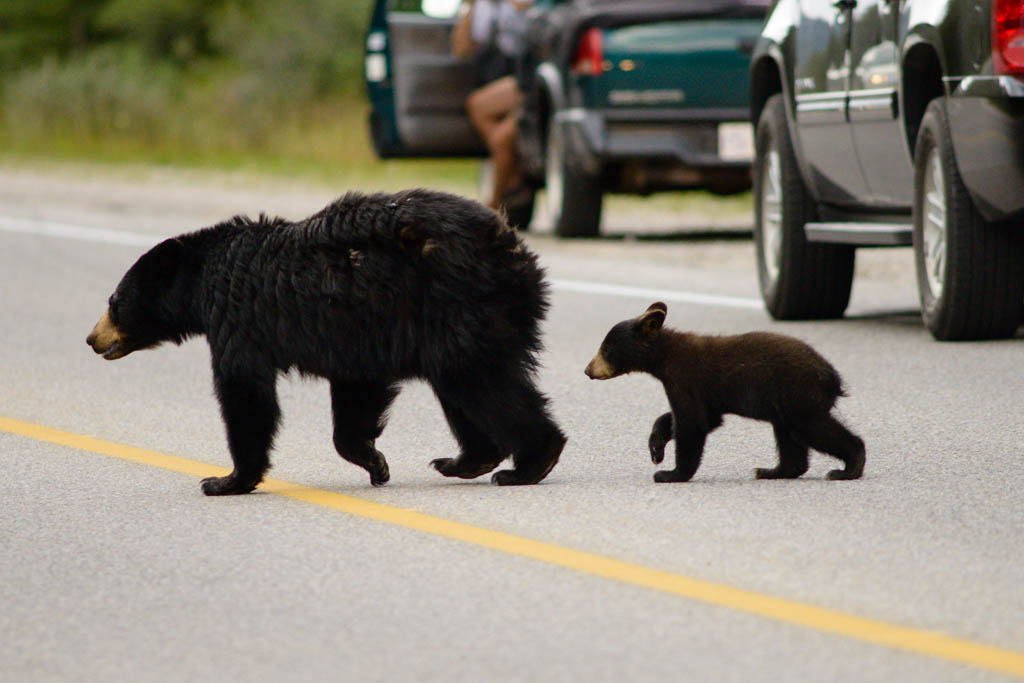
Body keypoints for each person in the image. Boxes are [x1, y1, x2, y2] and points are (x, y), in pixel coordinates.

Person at [452, 0, 532, 212]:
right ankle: (512, 179)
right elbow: (461, 50)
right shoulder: (482, 7)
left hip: (528, 79)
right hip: (501, 81)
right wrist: (468, 8)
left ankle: (496, 203)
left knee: (501, 138)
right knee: (479, 109)